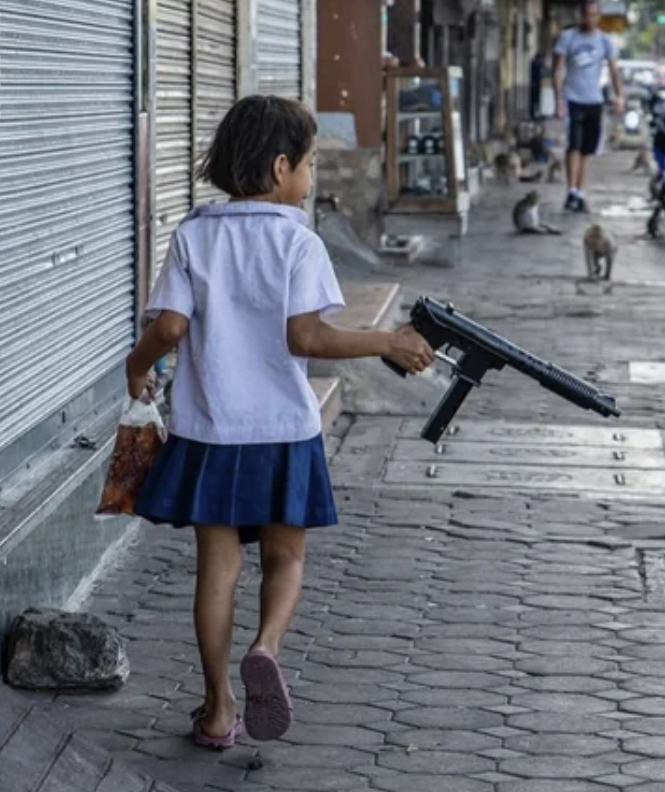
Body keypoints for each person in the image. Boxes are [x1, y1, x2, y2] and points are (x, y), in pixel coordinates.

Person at [125, 95, 434, 750]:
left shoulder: (195, 232)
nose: (312, 176)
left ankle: (216, 710)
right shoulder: (298, 238)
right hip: (283, 433)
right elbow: (309, 338)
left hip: (209, 433)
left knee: (218, 569)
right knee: (285, 556)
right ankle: (265, 646)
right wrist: (384, 341)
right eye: (312, 164)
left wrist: (136, 364)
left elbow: (171, 327)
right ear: (280, 166)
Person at [554, 0, 623, 213]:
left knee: (587, 149)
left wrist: (619, 95)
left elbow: (613, 70)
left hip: (594, 99)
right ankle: (571, 191)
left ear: (599, 16)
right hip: (573, 98)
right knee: (573, 145)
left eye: (593, 15)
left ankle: (581, 192)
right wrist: (558, 100)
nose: (589, 19)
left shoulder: (605, 40)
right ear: (580, 15)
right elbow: (557, 69)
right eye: (586, 15)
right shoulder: (568, 37)